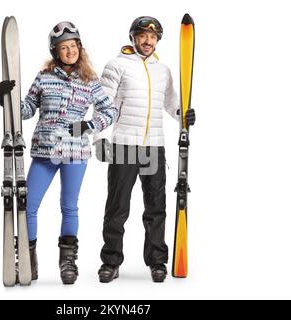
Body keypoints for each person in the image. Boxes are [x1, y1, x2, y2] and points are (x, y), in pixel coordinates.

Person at [0, 21, 118, 285]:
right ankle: (29, 260)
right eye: (64, 47)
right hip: (45, 150)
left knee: (69, 207)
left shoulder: (90, 80)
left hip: (76, 152)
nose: (70, 51)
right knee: (29, 205)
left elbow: (110, 111)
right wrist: (8, 100)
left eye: (73, 46)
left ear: (80, 49)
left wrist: (90, 124)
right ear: (56, 51)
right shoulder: (44, 77)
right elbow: (27, 109)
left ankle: (68, 262)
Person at [93, 16, 196, 283]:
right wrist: (94, 134)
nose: (148, 41)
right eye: (143, 36)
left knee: (155, 207)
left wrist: (184, 114)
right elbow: (104, 104)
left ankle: (157, 261)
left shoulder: (163, 71)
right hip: (124, 145)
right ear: (133, 37)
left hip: (153, 146)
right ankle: (111, 261)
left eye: (153, 37)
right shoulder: (117, 65)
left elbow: (172, 102)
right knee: (117, 207)